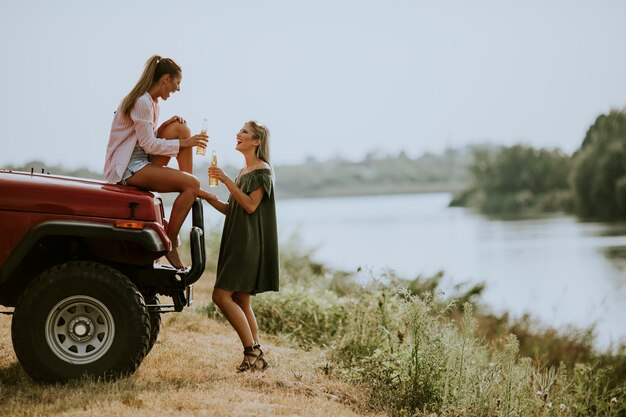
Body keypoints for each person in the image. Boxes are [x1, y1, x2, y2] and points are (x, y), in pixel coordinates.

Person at [104, 55, 213, 269]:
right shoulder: (141, 101)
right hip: (128, 168)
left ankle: (189, 183)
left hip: (141, 160)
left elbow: (144, 137)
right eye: (177, 83)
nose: (178, 89)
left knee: (180, 128)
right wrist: (187, 143)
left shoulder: (152, 103)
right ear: (165, 79)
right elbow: (149, 145)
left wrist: (167, 125)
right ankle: (170, 243)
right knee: (191, 184)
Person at [206, 120, 279, 372]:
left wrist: (225, 180)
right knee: (241, 299)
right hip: (235, 238)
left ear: (256, 141)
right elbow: (233, 209)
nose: (238, 134)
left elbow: (250, 206)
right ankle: (256, 356)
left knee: (220, 295)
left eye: (244, 132)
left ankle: (252, 352)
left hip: (248, 243)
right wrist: (206, 196)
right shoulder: (242, 172)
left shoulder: (262, 171)